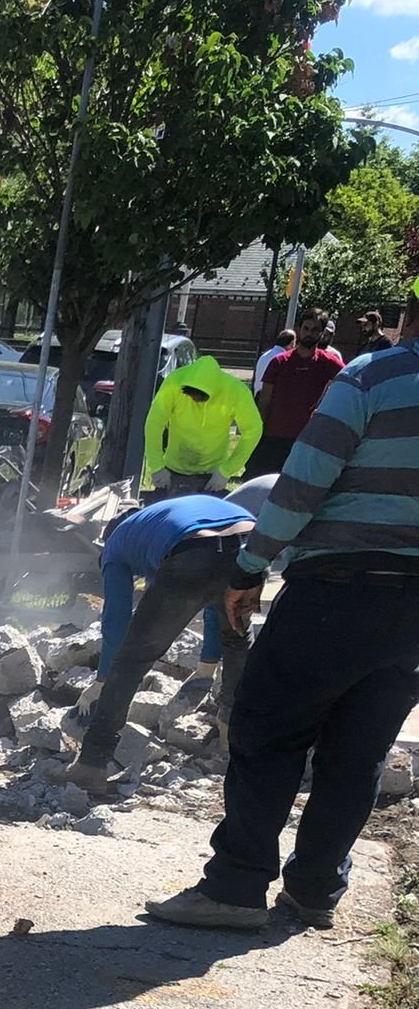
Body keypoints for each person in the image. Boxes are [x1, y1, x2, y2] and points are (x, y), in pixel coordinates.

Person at [146, 278, 419, 933]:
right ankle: (315, 889)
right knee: (359, 752)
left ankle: (236, 888)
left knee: (268, 730)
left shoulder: (372, 377)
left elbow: (301, 484)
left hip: (339, 587)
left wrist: (248, 565)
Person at [66, 486, 274, 794]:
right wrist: (206, 665)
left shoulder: (116, 543)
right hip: (253, 548)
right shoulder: (162, 521)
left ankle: (92, 763)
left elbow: (117, 620)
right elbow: (214, 602)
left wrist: (102, 679)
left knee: (132, 660)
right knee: (238, 641)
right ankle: (232, 738)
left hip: (194, 552)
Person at [142, 356, 261, 500]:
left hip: (212, 473)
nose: (195, 400)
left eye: (200, 397)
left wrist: (226, 471)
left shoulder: (236, 392)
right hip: (174, 467)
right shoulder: (174, 382)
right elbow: (154, 423)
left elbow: (253, 430)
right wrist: (156, 466)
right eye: (191, 395)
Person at [248, 308, 343, 476]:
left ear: (322, 334)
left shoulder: (328, 363)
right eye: (306, 328)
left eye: (315, 330)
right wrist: (258, 435)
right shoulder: (279, 362)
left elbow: (351, 383)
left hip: (305, 439)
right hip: (273, 436)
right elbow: (264, 401)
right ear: (299, 329)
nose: (309, 333)